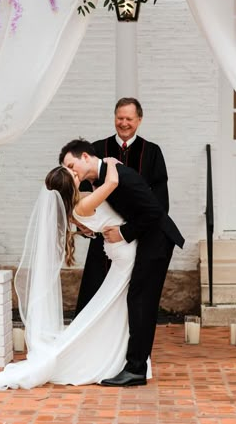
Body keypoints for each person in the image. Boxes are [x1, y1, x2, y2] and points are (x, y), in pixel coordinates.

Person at [0, 158, 140, 393]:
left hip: (120, 253)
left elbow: (101, 195)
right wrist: (110, 162)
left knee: (110, 309)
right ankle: (117, 357)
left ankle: (120, 356)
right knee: (112, 308)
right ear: (70, 185)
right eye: (73, 174)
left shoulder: (78, 206)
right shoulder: (83, 206)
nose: (78, 173)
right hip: (124, 255)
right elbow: (113, 182)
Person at [61, 139, 184, 387]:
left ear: (85, 157)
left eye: (72, 165)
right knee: (137, 300)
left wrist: (124, 233)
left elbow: (155, 211)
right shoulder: (103, 177)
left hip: (157, 240)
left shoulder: (120, 176)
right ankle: (134, 365)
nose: (71, 172)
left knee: (141, 301)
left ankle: (136, 370)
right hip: (147, 238)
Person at [73, 97, 169, 315]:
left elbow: (161, 203)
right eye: (119, 118)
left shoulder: (152, 152)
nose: (124, 123)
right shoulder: (96, 149)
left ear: (139, 120)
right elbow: (79, 194)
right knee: (95, 296)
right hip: (103, 238)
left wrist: (128, 232)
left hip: (137, 236)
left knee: (133, 300)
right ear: (114, 118)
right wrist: (83, 225)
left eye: (129, 119)